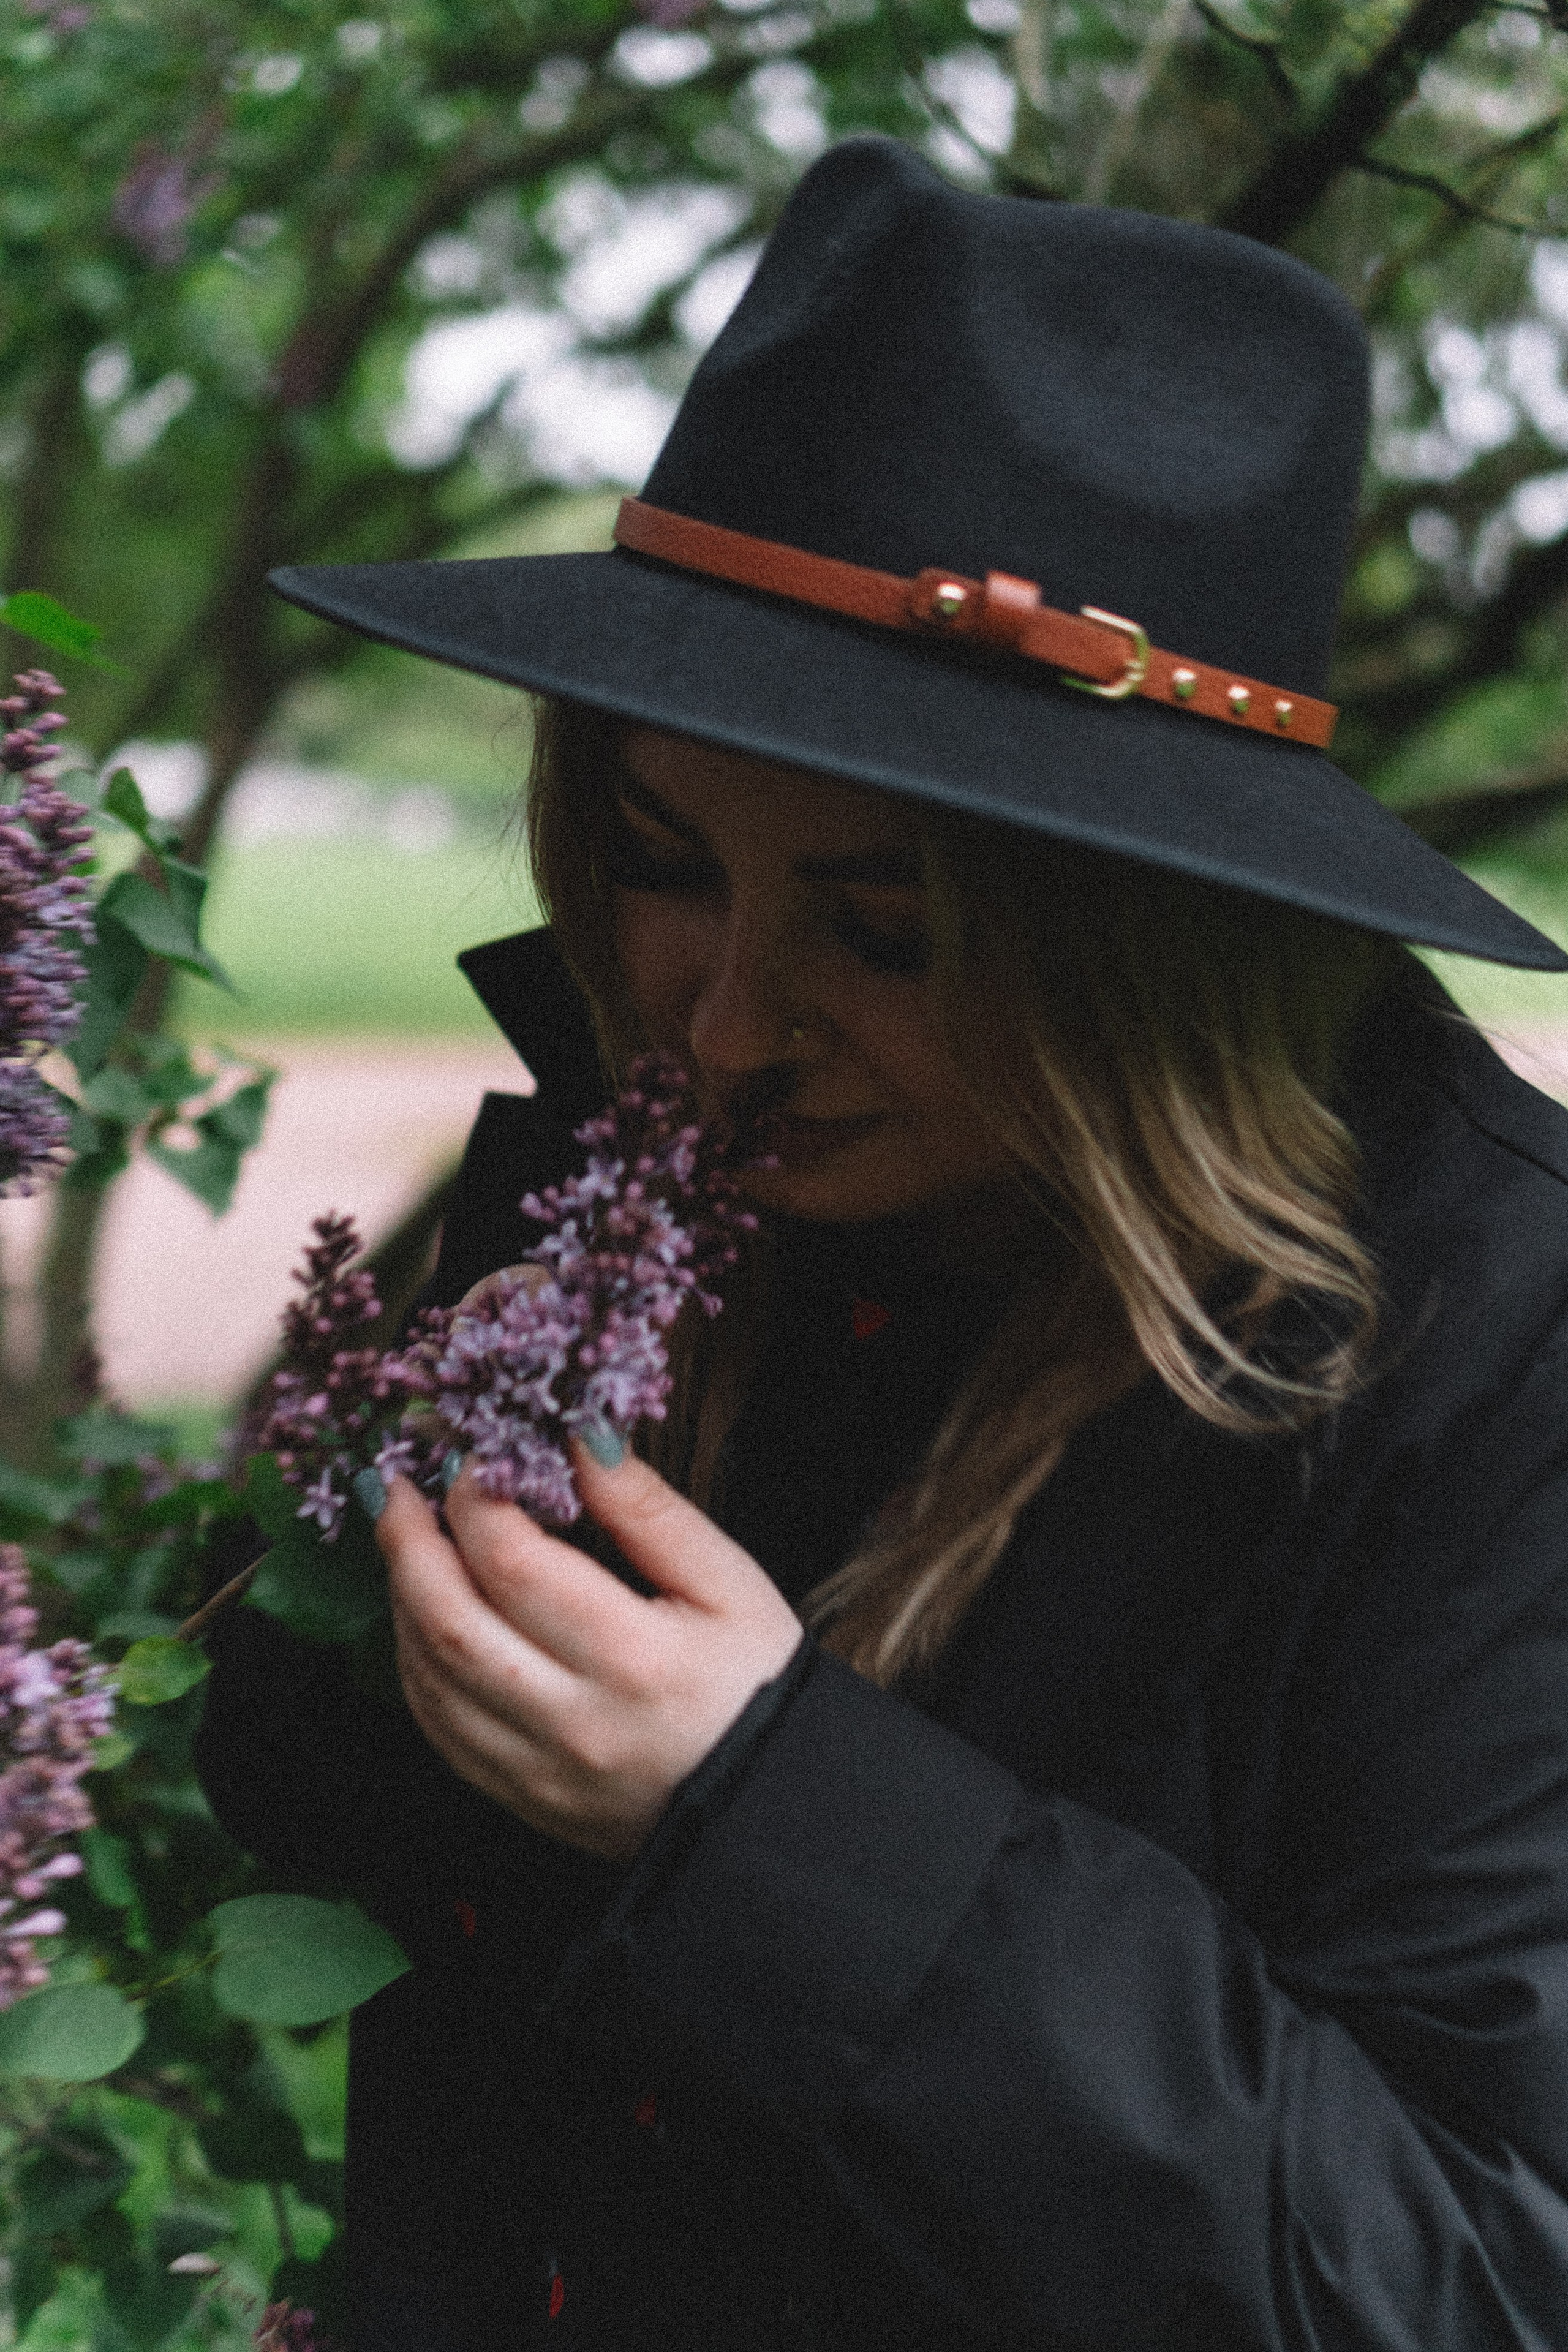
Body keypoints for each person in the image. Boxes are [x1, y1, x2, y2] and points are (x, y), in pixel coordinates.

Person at [195, 137, 1568, 2351]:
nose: (722, 1021)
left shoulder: (1496, 1354)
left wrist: (765, 1822)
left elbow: (1474, 2274)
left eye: (884, 924)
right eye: (659, 856)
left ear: (1154, 937)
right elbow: (314, 1826)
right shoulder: (629, 1164)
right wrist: (359, 1597)